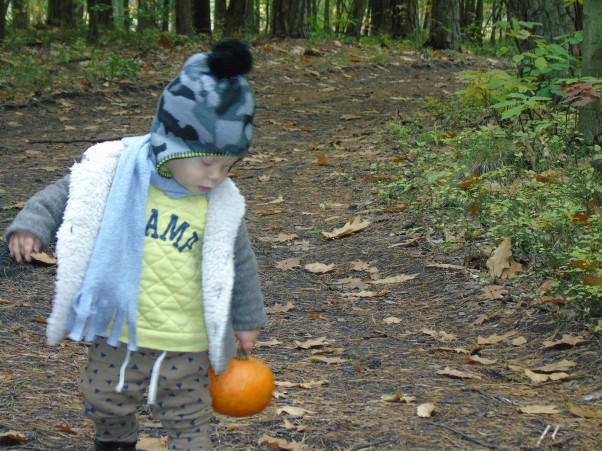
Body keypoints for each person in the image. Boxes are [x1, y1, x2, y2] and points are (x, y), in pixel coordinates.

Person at [5, 38, 267, 451]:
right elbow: (68, 192)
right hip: (119, 329)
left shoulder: (220, 204)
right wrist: (30, 225)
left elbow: (240, 262)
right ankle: (115, 442)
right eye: (205, 162)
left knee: (189, 416)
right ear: (170, 145)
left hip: (187, 337)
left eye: (228, 165)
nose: (217, 176)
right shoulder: (116, 172)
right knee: (104, 400)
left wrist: (247, 319)